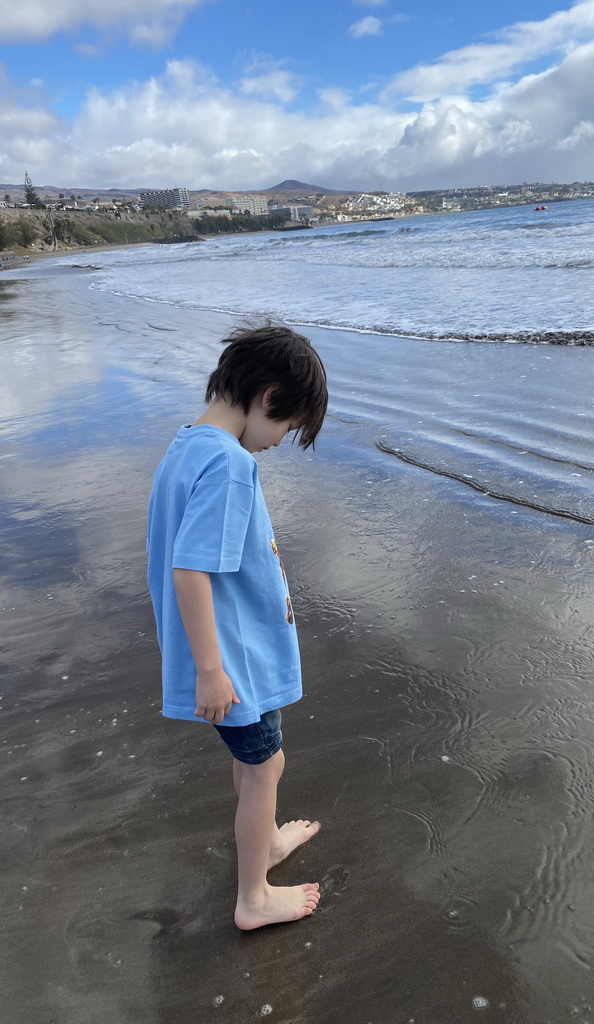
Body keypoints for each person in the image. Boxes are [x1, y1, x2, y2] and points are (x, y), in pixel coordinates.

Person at [147, 320, 328, 930]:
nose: (278, 442)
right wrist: (211, 671)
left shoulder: (189, 443)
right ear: (268, 397)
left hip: (230, 653)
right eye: (287, 427)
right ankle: (254, 896)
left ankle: (266, 841)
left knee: (261, 762)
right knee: (263, 768)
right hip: (233, 659)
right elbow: (191, 568)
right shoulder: (227, 465)